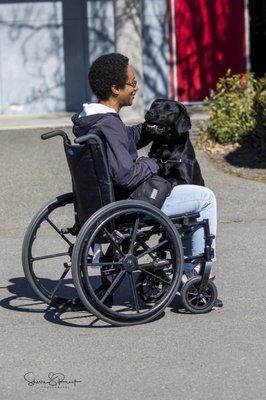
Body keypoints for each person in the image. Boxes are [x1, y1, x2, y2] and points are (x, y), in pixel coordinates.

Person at [72, 53, 221, 306]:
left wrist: (151, 127)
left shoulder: (91, 120)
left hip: (106, 200)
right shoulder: (107, 124)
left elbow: (125, 140)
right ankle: (194, 272)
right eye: (132, 83)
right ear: (116, 88)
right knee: (204, 199)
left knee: (193, 198)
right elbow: (126, 174)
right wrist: (153, 163)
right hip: (133, 202)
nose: (136, 88)